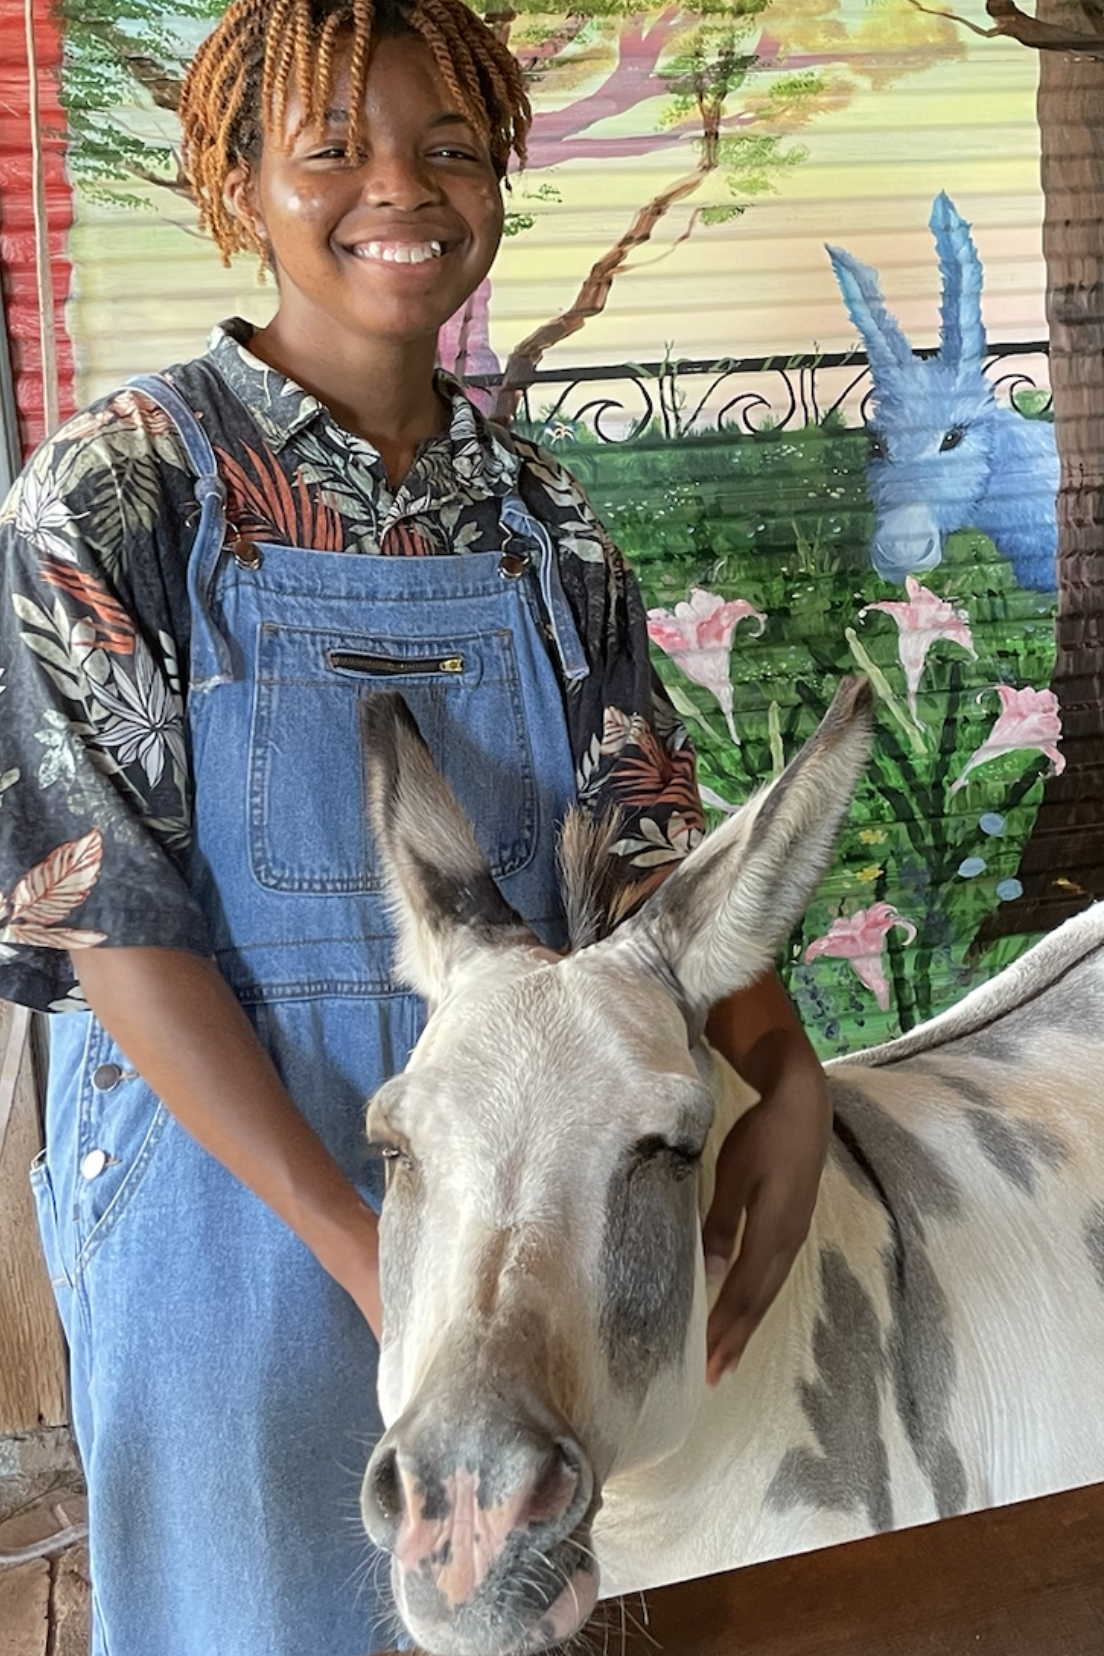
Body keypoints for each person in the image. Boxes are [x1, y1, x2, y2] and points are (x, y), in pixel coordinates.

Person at [0, 1, 830, 1651]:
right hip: (220, 1180)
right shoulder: (119, 489)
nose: (404, 187)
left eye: (452, 147)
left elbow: (639, 846)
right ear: (241, 185)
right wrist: (367, 1244)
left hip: (522, 1173)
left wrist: (785, 1074)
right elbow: (109, 929)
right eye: (334, 149)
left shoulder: (541, 519)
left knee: (515, 1597)